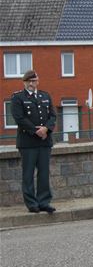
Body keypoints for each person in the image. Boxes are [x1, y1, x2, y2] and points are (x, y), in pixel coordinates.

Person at [11, 70, 57, 214]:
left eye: (34, 81)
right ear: (24, 82)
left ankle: (44, 202)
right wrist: (37, 131)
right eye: (29, 81)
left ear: (38, 81)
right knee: (28, 174)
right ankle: (32, 204)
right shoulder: (17, 97)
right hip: (28, 142)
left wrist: (46, 129)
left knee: (44, 173)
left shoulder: (45, 95)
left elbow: (53, 116)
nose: (31, 84)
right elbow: (19, 118)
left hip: (44, 141)